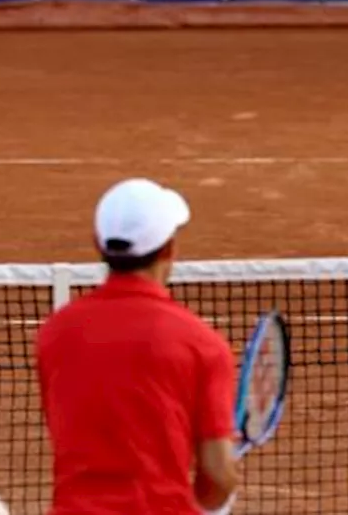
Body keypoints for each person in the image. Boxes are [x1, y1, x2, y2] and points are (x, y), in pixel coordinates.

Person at [34, 178, 241, 514]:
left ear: (97, 243)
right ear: (169, 248)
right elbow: (217, 476)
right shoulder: (203, 344)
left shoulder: (55, 334)